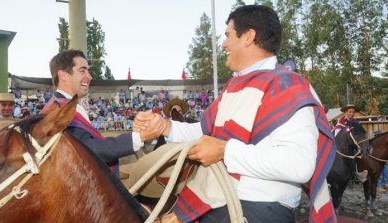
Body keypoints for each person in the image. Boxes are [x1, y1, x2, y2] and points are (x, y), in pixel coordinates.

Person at [134, 5, 336, 223]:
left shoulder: (288, 86)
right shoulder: (235, 87)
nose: (223, 44)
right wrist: (165, 127)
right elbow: (203, 132)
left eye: (228, 35)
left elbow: (299, 165)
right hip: (223, 199)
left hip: (259, 208)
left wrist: (225, 151)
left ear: (248, 36)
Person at [43, 49, 164, 174]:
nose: (89, 76)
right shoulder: (57, 110)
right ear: (63, 75)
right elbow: (86, 150)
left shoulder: (64, 104)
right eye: (82, 70)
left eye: (88, 71)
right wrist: (140, 137)